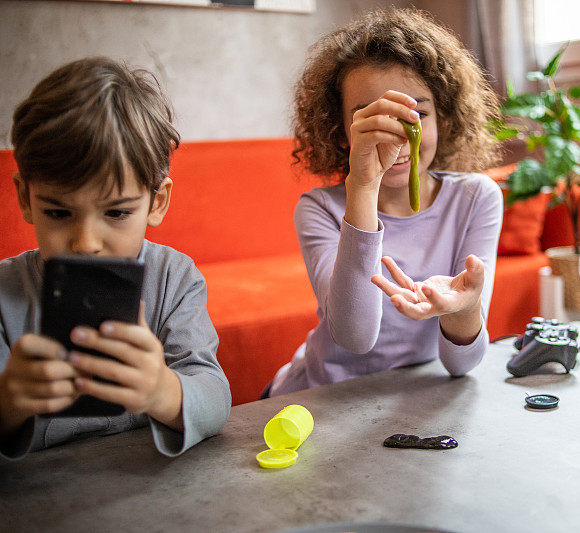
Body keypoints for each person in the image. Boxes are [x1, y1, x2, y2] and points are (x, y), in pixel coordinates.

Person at [0, 57, 231, 460]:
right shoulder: (4, 293)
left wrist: (162, 389)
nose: (85, 242)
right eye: (58, 213)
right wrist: (9, 401)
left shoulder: (174, 279)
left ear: (156, 203)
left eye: (116, 213)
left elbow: (214, 398)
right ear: (25, 198)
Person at [266, 8, 503, 397]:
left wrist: (462, 307)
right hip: (324, 397)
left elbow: (461, 363)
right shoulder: (319, 209)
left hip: (417, 401)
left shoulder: (475, 198)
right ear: (341, 132)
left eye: (416, 115)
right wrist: (362, 185)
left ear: (442, 117)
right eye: (371, 121)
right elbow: (355, 337)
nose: (396, 139)